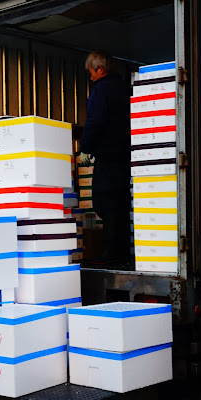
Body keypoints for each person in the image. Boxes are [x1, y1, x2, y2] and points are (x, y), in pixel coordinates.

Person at [79, 50, 132, 265]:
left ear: (100, 70)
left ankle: (110, 255)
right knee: (120, 203)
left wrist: (85, 148)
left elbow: (95, 121)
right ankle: (121, 253)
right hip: (125, 156)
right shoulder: (125, 89)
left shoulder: (101, 90)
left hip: (108, 157)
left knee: (104, 202)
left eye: (91, 72)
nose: (90, 77)